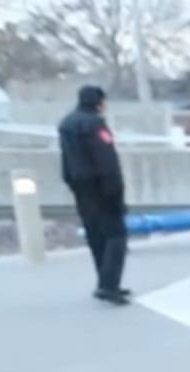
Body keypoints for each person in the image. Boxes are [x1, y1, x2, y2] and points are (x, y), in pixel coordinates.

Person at [58, 85, 129, 305]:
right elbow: (107, 161)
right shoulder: (95, 124)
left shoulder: (66, 124)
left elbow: (65, 161)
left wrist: (72, 184)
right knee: (116, 237)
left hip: (81, 188)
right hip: (102, 188)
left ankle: (103, 280)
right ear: (98, 102)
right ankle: (109, 285)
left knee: (96, 236)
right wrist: (117, 192)